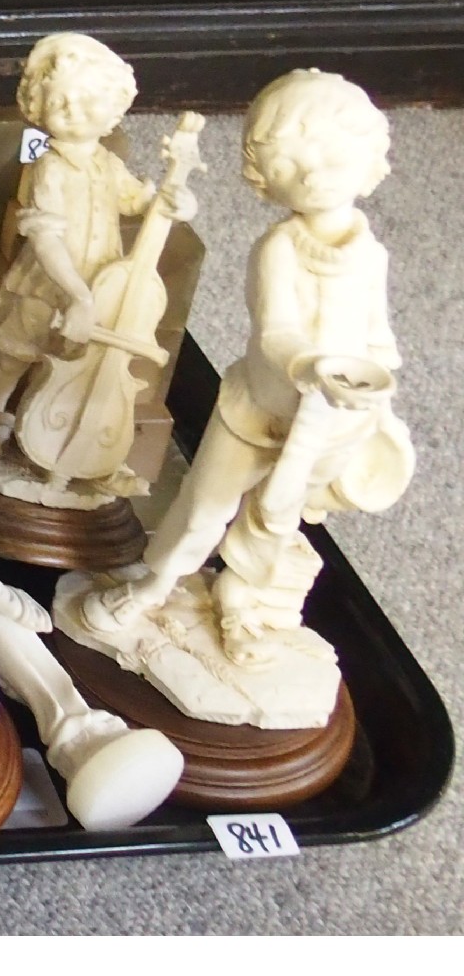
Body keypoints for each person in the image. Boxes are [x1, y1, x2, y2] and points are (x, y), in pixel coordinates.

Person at [75, 70, 411, 663]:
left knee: (278, 519)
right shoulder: (278, 247)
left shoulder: (370, 256)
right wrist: (308, 367)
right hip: (258, 404)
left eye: (329, 153)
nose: (312, 175)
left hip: (329, 417)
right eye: (289, 166)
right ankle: (154, 585)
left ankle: (244, 603)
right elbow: (274, 330)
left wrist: (371, 380)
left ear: (368, 154)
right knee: (204, 505)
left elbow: (377, 335)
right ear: (266, 182)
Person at [0, 33, 196, 453]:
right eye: (59, 103)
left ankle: (47, 430)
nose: (73, 112)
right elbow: (44, 237)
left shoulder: (107, 163)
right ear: (38, 108)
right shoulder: (49, 168)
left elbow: (138, 199)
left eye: (88, 102)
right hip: (49, 286)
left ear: (113, 111)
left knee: (72, 364)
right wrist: (75, 293)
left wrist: (175, 199)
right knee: (16, 353)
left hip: (103, 285)